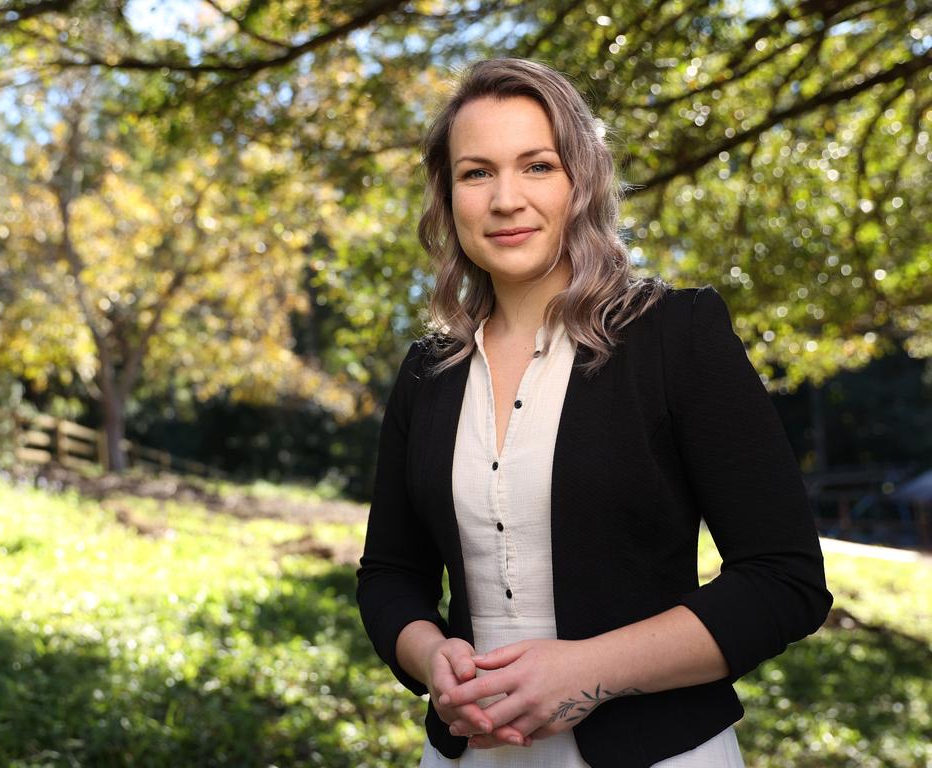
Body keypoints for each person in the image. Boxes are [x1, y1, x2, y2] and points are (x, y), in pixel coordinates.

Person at [355, 57, 832, 768]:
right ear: (447, 195)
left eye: (537, 166)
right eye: (477, 172)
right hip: (466, 756)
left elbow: (783, 580)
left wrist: (585, 672)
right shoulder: (428, 372)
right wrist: (433, 662)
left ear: (582, 179)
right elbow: (390, 573)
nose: (506, 199)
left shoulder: (678, 335)